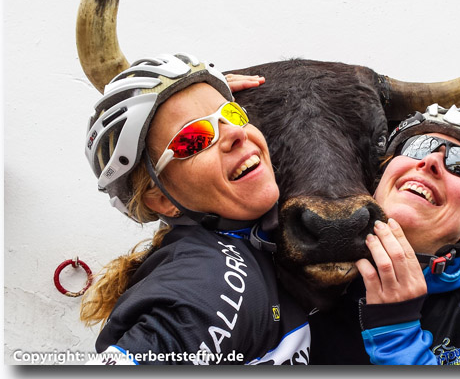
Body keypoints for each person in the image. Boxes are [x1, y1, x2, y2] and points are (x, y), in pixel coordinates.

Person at [81, 52, 309, 365]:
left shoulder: (249, 239)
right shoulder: (212, 280)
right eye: (194, 139)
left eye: (235, 114)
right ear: (161, 200)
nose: (236, 133)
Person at [309, 103, 460, 365]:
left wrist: (398, 339)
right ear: (377, 183)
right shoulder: (311, 271)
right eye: (418, 146)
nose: (431, 161)